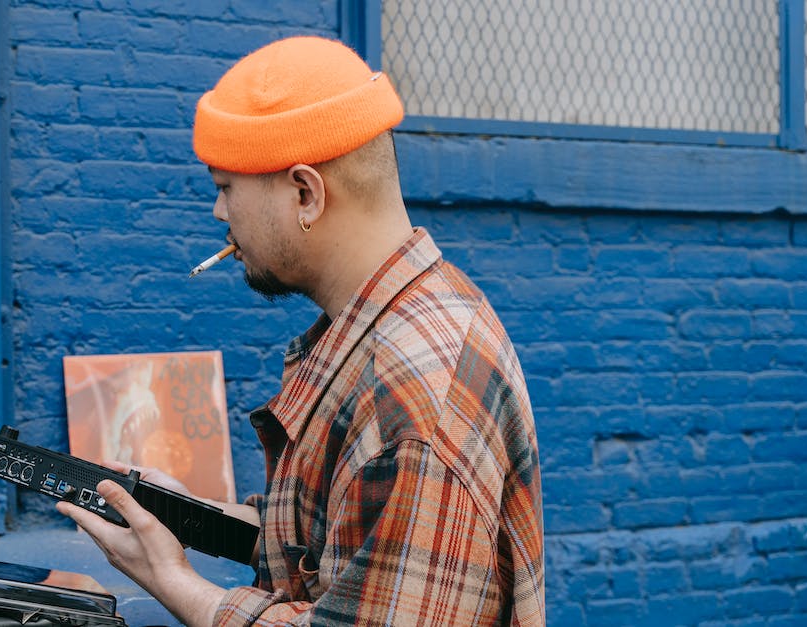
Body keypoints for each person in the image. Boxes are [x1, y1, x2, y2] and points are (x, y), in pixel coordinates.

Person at [57, 35, 545, 626]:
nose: (218, 213)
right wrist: (187, 513)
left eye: (225, 188)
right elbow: (333, 545)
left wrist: (170, 578)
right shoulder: (401, 317)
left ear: (306, 193)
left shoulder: (412, 396)